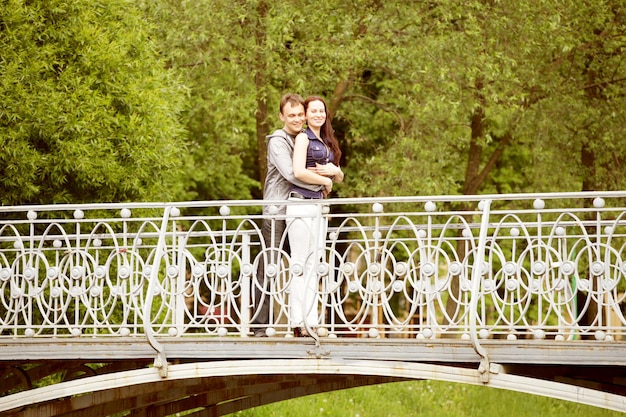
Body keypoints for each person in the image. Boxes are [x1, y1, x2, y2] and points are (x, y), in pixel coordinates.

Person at [252, 94, 332, 337]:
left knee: (306, 265)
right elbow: (291, 173)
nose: (297, 119)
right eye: (292, 115)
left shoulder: (303, 139)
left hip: (299, 210)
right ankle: (259, 325)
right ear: (282, 117)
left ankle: (305, 319)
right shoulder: (278, 140)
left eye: (300, 114)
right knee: (270, 266)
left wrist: (331, 174)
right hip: (278, 211)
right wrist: (324, 180)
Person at [286, 95, 343, 337]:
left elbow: (339, 177)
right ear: (306, 115)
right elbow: (298, 171)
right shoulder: (302, 138)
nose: (318, 114)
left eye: (322, 110)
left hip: (318, 207)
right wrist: (324, 181)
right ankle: (299, 321)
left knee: (314, 264)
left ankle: (311, 318)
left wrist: (335, 172)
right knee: (300, 263)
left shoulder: (326, 141)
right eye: (313, 111)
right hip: (301, 205)